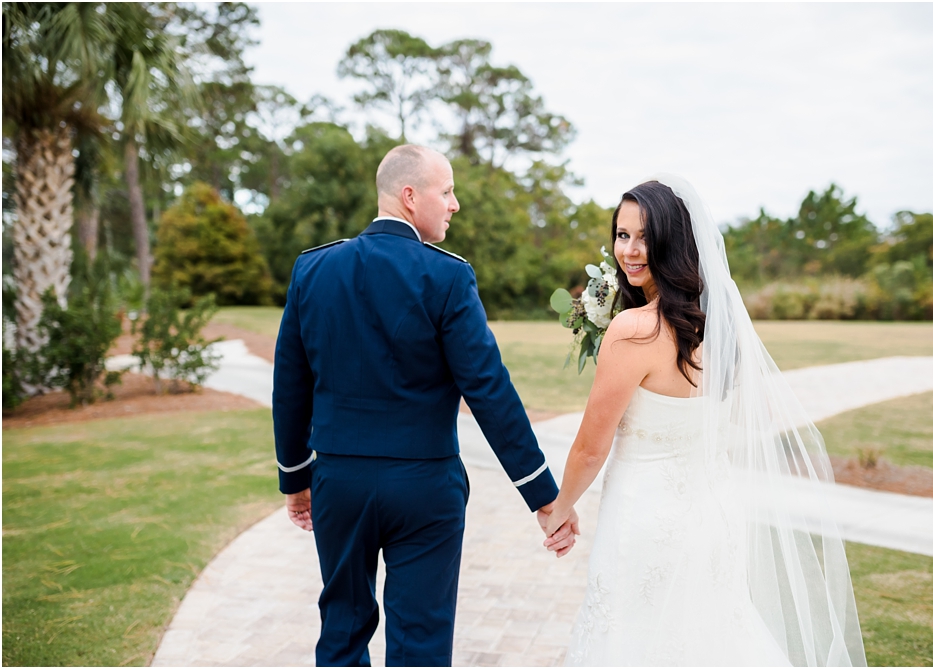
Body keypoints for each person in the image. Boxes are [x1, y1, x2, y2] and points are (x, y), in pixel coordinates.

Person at [272, 144, 578, 667]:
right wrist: (543, 497)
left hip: (338, 486)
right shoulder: (448, 276)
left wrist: (296, 481)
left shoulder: (313, 268)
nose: (455, 204)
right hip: (424, 490)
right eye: (448, 190)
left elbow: (289, 386)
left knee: (340, 635)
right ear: (409, 197)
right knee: (421, 646)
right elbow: (489, 390)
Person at [541, 177, 867, 666]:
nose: (630, 250)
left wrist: (559, 508)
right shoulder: (718, 328)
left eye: (644, 237)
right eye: (622, 234)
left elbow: (591, 448)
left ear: (674, 241)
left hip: (645, 525)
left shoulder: (633, 330)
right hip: (714, 522)